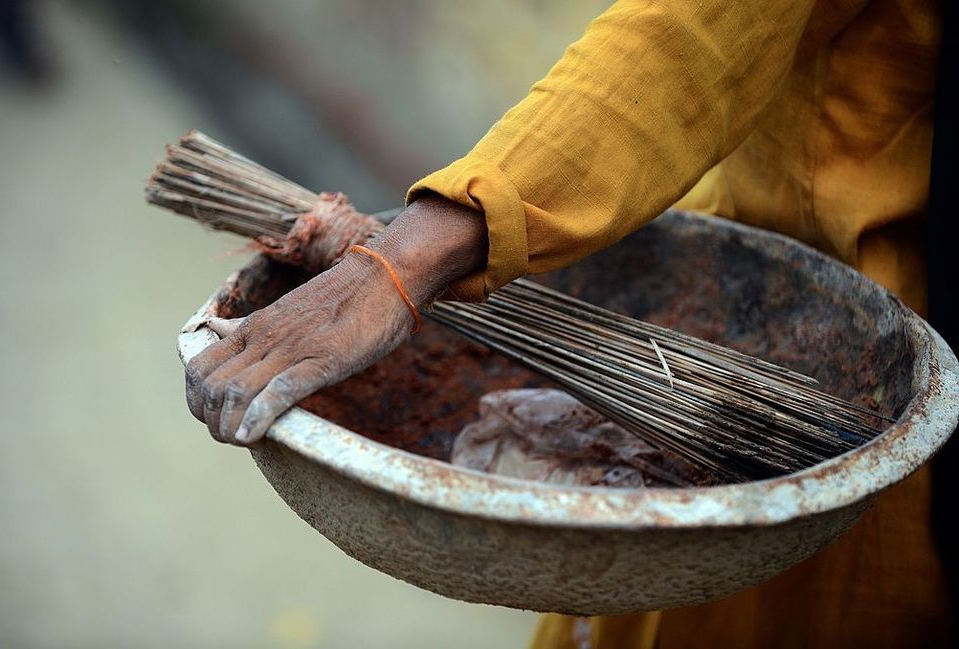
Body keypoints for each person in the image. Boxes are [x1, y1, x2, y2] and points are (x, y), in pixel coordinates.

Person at [185, 0, 950, 646]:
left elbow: (681, 40)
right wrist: (397, 259)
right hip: (773, 351)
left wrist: (398, 262)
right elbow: (692, 39)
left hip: (862, 403)